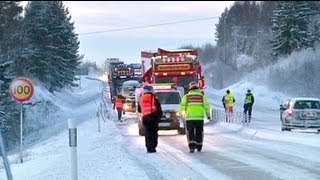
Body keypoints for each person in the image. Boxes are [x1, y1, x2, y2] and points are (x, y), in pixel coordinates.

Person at [180, 82, 211, 153]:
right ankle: (199, 147)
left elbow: (182, 107)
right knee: (199, 132)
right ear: (197, 88)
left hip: (189, 118)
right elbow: (206, 106)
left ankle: (192, 147)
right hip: (199, 118)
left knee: (190, 132)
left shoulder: (187, 96)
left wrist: (182, 115)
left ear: (190, 88)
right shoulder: (201, 96)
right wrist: (208, 115)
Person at [137, 85, 163, 153]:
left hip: (145, 118)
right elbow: (158, 107)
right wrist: (159, 116)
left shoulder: (141, 98)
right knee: (154, 133)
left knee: (147, 133)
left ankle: (148, 147)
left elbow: (139, 110)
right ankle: (153, 147)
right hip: (153, 117)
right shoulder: (153, 97)